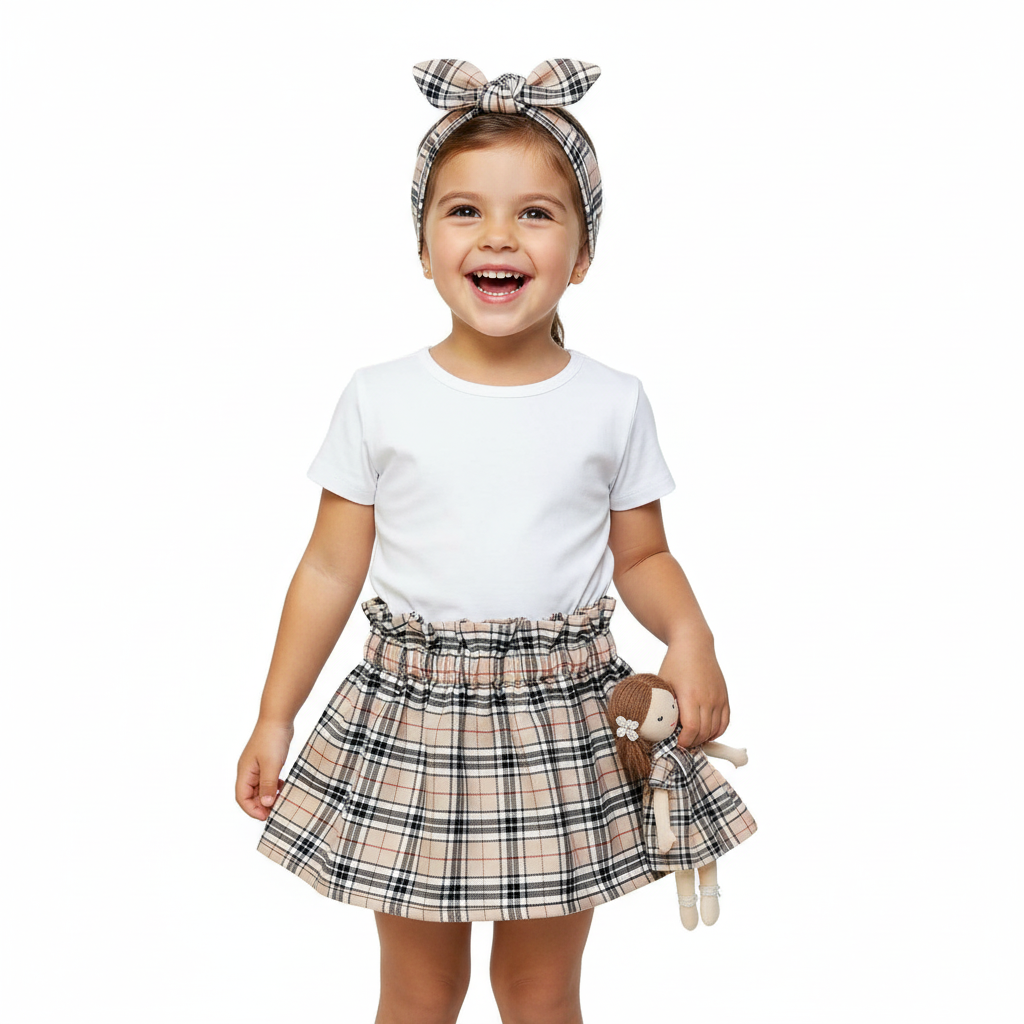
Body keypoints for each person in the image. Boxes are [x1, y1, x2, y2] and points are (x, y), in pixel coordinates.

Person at [235, 59, 734, 1024]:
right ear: (422, 247)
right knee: (420, 992)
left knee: (540, 990)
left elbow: (642, 556)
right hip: (415, 715)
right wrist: (273, 715)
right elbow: (330, 567)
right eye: (464, 211)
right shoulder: (379, 397)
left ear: (584, 253)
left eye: (536, 214)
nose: (499, 235)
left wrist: (693, 637)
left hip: (563, 721)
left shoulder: (611, 400)